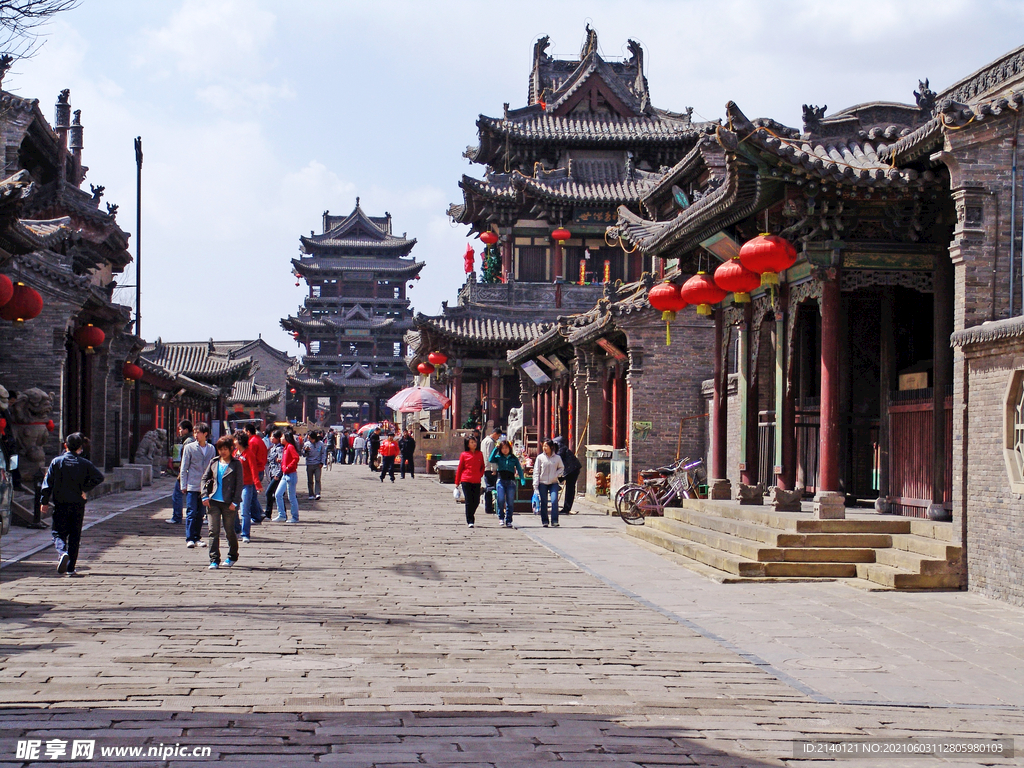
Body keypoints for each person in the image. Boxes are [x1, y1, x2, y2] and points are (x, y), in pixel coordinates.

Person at [39, 432, 104, 576]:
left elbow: (47, 483)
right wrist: (84, 488)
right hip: (78, 504)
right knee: (75, 535)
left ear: (65, 446)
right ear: (80, 447)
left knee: (58, 533)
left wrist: (44, 501)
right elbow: (99, 477)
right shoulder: (85, 463)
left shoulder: (57, 462)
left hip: (61, 503)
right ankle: (71, 568)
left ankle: (62, 552)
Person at [200, 435, 243, 569]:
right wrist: (204, 495)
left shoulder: (236, 464)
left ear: (231, 449)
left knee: (229, 531)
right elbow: (204, 479)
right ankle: (214, 559)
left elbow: (239, 484)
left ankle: (232, 555)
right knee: (213, 531)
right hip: (213, 501)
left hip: (228, 502)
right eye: (220, 449)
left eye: (225, 449)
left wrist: (235, 502)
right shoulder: (214, 462)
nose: (222, 452)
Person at [179, 423, 215, 548]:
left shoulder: (211, 448)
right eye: (194, 432)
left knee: (201, 513)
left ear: (205, 434)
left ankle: (197, 537)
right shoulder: (189, 448)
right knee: (191, 512)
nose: (196, 435)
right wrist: (183, 484)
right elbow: (184, 467)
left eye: (198, 432)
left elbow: (213, 468)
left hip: (205, 486)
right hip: (192, 484)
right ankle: (189, 538)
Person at [489, 439, 525, 528]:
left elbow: (519, 469)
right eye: (503, 448)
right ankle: (501, 517)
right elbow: (491, 459)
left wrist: (522, 479)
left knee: (510, 502)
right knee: (500, 499)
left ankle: (509, 520)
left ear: (510, 448)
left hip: (511, 482)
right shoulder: (498, 457)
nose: (505, 450)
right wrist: (495, 449)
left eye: (506, 448)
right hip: (501, 481)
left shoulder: (513, 458)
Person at [168, 419, 195, 524]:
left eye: (180, 429)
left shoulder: (188, 441)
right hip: (191, 472)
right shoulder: (190, 440)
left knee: (177, 495)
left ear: (186, 430)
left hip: (186, 472)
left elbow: (185, 459)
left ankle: (177, 517)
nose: (179, 431)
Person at [533, 439, 565, 528]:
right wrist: (535, 484)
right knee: (544, 502)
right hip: (542, 483)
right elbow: (536, 471)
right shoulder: (540, 458)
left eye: (546, 446)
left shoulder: (557, 458)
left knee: (554, 501)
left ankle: (554, 520)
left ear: (551, 447)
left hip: (553, 482)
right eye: (543, 446)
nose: (544, 448)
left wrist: (556, 474)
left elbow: (561, 468)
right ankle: (545, 521)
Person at [455, 435, 485, 528]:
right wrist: (457, 481)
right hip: (466, 479)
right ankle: (470, 520)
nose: (474, 444)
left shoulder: (479, 453)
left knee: (476, 501)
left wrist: (480, 474)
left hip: (476, 480)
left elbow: (482, 466)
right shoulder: (464, 454)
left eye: (475, 442)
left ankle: (471, 514)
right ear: (468, 444)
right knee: (468, 500)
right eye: (472, 442)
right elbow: (460, 468)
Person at [552, 435, 583, 516]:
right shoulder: (560, 448)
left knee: (570, 488)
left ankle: (567, 508)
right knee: (568, 487)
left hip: (572, 470)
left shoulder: (561, 448)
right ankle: (566, 507)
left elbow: (558, 459)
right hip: (570, 470)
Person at [274, 431, 301, 523]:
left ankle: (295, 517)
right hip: (285, 475)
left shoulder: (290, 447)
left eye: (282, 437)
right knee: (278, 494)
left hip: (291, 474)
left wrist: (288, 466)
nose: (281, 438)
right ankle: (281, 515)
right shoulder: (285, 448)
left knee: (291, 497)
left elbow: (296, 458)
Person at [244, 422, 267, 523]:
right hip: (261, 468)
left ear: (248, 432)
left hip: (256, 470)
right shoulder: (259, 440)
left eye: (244, 432)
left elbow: (250, 459)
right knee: (252, 494)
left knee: (251, 495)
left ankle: (257, 515)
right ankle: (260, 512)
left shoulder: (252, 442)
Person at [264, 429, 283, 520]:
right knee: (275, 494)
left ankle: (268, 513)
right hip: (272, 473)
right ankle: (279, 513)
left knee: (269, 492)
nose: (271, 438)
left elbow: (281, 463)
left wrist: (278, 475)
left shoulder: (280, 449)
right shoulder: (273, 448)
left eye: (273, 437)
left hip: (276, 474)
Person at [480, 427, 500, 516]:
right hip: (489, 467)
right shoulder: (491, 442)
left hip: (485, 466)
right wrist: (494, 469)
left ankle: (488, 506)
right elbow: (490, 456)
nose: (498, 438)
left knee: (489, 486)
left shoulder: (484, 440)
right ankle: (489, 507)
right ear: (495, 433)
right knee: (491, 487)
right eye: (498, 436)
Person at [303, 431, 326, 499]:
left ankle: (317, 493)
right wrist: (306, 451)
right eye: (309, 439)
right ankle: (311, 494)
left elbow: (323, 453)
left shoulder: (321, 444)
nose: (310, 440)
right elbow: (304, 455)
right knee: (310, 480)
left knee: (317, 479)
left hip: (317, 464)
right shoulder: (306, 444)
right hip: (309, 463)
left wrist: (322, 462)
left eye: (311, 439)